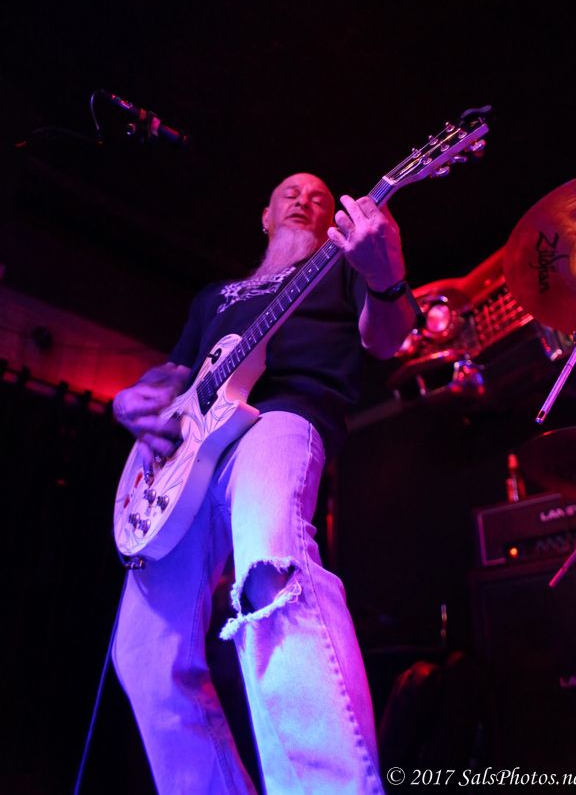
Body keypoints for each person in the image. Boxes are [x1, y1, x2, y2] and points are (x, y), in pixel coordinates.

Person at [112, 172, 417, 794]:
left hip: (280, 415)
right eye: (290, 193)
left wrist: (385, 277)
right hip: (184, 456)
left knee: (269, 567)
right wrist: (136, 396)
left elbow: (386, 340)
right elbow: (174, 372)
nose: (305, 199)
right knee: (143, 650)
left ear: (334, 218)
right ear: (265, 215)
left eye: (320, 196)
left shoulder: (343, 261)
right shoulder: (216, 297)